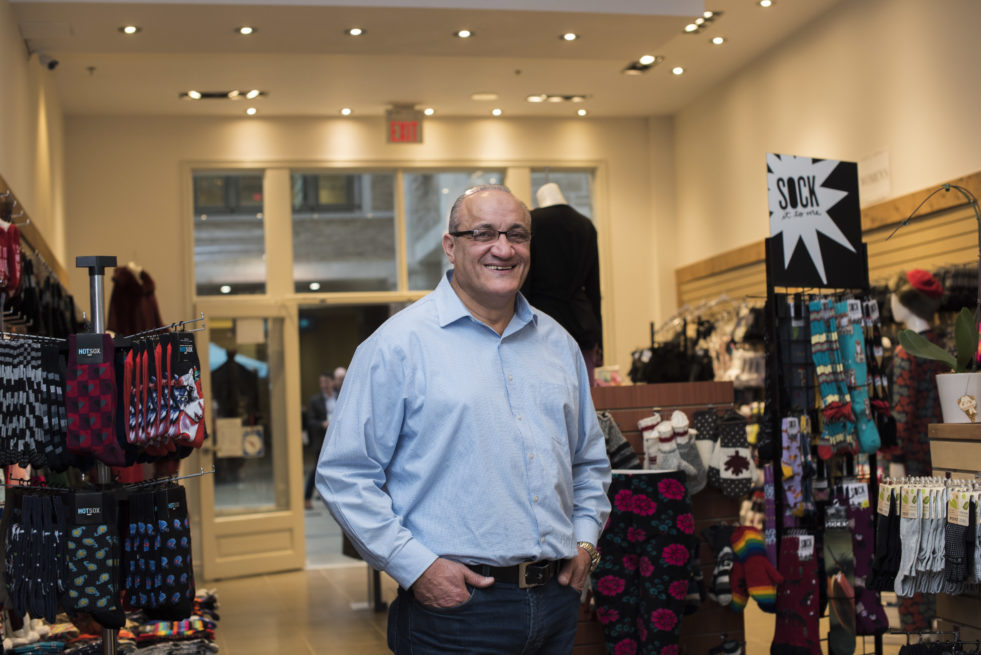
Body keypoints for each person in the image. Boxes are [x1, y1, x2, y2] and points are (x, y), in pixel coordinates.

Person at [317, 184, 612, 654]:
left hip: (556, 601)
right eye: (484, 233)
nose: (503, 248)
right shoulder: (397, 346)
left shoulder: (559, 346)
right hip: (456, 612)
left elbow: (589, 462)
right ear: (451, 246)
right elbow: (343, 475)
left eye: (517, 234)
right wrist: (416, 567)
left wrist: (585, 541)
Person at [520, 182, 603, 385]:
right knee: (584, 399)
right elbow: (594, 288)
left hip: (541, 322)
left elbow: (525, 279)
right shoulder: (586, 225)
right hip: (582, 322)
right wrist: (600, 342)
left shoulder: (533, 222)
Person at [304, 370, 337, 510]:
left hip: (337, 440)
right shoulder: (315, 400)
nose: (324, 385)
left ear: (333, 382)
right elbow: (310, 421)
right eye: (322, 383)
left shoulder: (340, 396)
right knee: (317, 469)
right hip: (322, 440)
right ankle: (306, 497)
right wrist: (323, 424)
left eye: (326, 382)